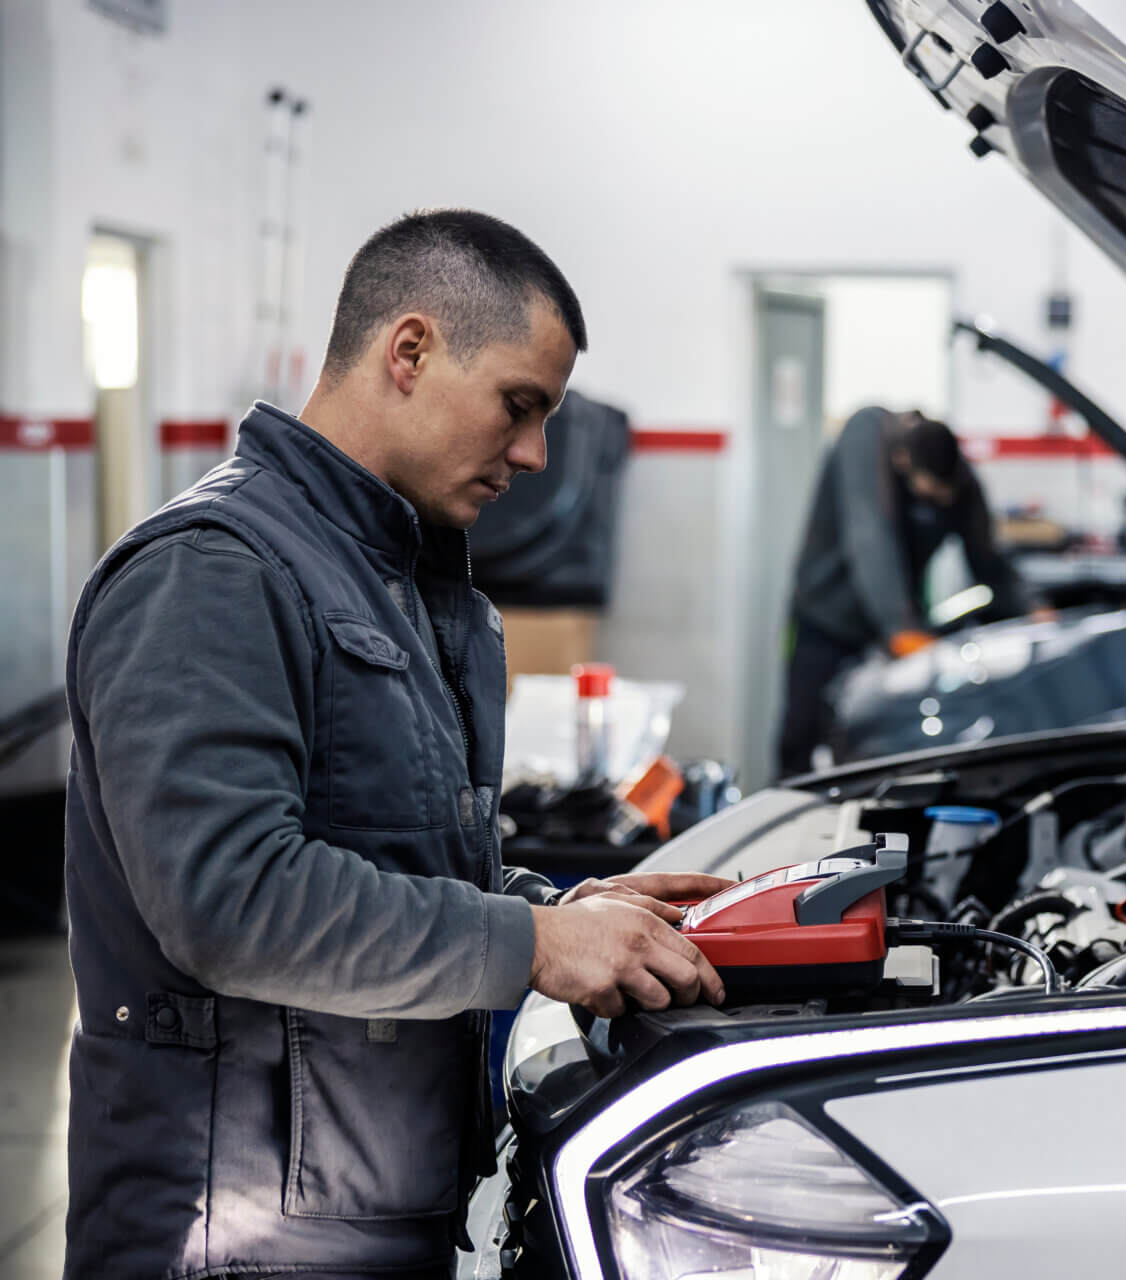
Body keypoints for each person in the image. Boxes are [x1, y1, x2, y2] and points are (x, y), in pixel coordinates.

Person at [62, 209, 731, 1279]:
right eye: (520, 407)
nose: (535, 454)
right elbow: (228, 898)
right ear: (409, 350)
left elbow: (392, 854)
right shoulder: (215, 572)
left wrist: (558, 909)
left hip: (356, 1212)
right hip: (230, 1241)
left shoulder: (398, 578)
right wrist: (532, 947)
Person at [777, 407, 1029, 776]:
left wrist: (1031, 606)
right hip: (824, 621)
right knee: (798, 738)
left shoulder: (955, 477)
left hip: (883, 635)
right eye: (928, 493)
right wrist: (902, 630)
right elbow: (870, 537)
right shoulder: (866, 437)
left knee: (873, 745)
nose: (938, 502)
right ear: (902, 461)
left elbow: (987, 558)